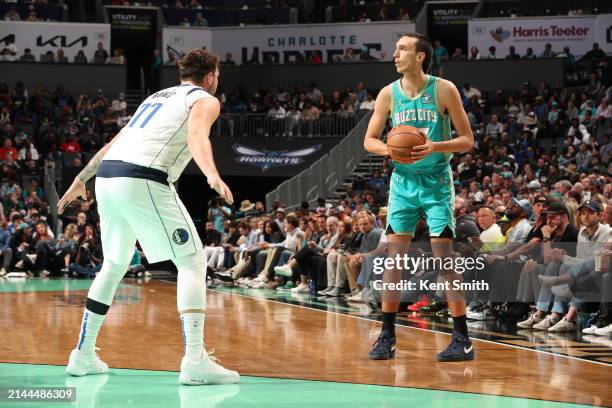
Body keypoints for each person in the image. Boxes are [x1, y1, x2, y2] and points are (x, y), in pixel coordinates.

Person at [58, 49, 239, 385]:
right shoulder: (204, 100)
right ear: (211, 75)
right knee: (193, 261)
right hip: (141, 178)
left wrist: (80, 179)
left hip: (108, 179)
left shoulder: (155, 98)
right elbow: (196, 136)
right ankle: (195, 359)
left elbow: (113, 143)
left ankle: (82, 354)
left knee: (113, 265)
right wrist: (212, 175)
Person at [363, 33, 474, 362]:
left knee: (444, 258)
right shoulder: (388, 94)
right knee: (394, 260)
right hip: (403, 183)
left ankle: (462, 338)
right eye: (395, 48)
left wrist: (435, 146)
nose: (395, 54)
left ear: (421, 56)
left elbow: (466, 139)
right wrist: (391, 149)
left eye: (402, 49)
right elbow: (370, 140)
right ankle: (387, 335)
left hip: (437, 182)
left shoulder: (444, 89)